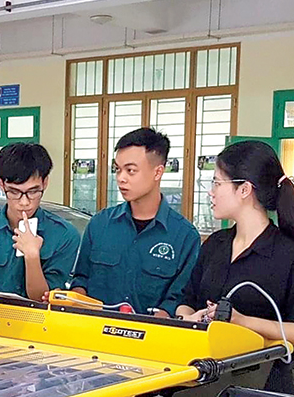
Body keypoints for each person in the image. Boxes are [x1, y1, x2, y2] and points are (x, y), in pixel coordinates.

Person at [175, 140, 294, 392]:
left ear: (244, 189)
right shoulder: (215, 245)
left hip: (260, 387)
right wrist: (190, 319)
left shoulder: (290, 255)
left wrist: (243, 322)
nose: (210, 192)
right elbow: (187, 300)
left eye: (217, 183)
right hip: (199, 381)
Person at [69, 127, 200, 316]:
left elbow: (178, 300)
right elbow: (81, 281)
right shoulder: (99, 225)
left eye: (131, 171)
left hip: (152, 340)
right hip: (94, 335)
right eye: (117, 170)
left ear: (158, 172)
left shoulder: (184, 236)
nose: (121, 178)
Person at [0, 143, 80, 300]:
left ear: (45, 182)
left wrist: (32, 256)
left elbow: (44, 300)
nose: (24, 202)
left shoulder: (64, 235)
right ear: (1, 184)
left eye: (33, 192)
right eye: (14, 192)